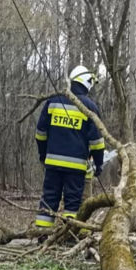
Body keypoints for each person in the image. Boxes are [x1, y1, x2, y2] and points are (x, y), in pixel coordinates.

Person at [35, 64, 105, 238]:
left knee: (48, 200)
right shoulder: (89, 107)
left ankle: (42, 235)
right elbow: (97, 142)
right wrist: (99, 164)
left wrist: (43, 155)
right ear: (86, 82)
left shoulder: (52, 101)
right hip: (76, 167)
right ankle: (69, 236)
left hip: (52, 164)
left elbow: (40, 133)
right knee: (72, 204)